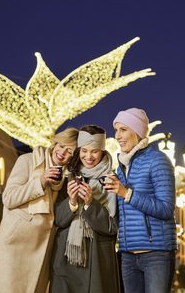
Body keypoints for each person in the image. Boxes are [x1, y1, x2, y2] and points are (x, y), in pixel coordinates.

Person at [0, 127, 78, 293]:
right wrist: (41, 181)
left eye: (69, 151)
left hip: (40, 251)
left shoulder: (63, 180)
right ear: (55, 143)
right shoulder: (28, 160)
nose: (62, 153)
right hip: (13, 247)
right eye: (62, 146)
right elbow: (9, 198)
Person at [104, 107, 177, 293]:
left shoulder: (157, 160)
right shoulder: (121, 168)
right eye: (116, 130)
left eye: (123, 130)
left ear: (136, 131)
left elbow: (166, 208)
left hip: (156, 254)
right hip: (128, 255)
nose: (117, 136)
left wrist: (127, 194)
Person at [50, 125, 120, 293]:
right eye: (84, 151)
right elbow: (57, 219)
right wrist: (72, 201)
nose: (88, 157)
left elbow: (112, 227)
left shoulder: (111, 180)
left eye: (94, 151)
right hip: (65, 259)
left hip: (96, 260)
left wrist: (90, 203)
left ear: (102, 151)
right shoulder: (68, 177)